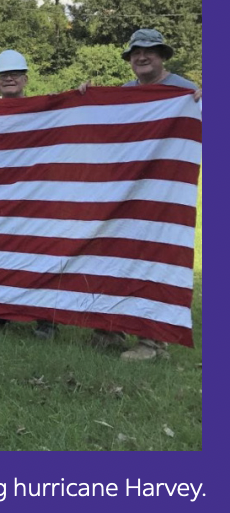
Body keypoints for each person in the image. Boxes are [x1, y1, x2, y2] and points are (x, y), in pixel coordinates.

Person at [89, 29, 201, 361]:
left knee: (155, 261)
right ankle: (109, 328)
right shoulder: (125, 94)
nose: (141, 57)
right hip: (125, 194)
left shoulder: (186, 92)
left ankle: (153, 343)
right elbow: (99, 128)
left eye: (149, 51)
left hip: (164, 198)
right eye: (135, 52)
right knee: (114, 257)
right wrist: (85, 97)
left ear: (163, 55)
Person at [0, 50, 58, 340]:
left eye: (15, 74)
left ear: (25, 79)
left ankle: (46, 318)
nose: (9, 78)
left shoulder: (44, 111)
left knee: (38, 254)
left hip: (35, 196)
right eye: (2, 75)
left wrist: (82, 97)